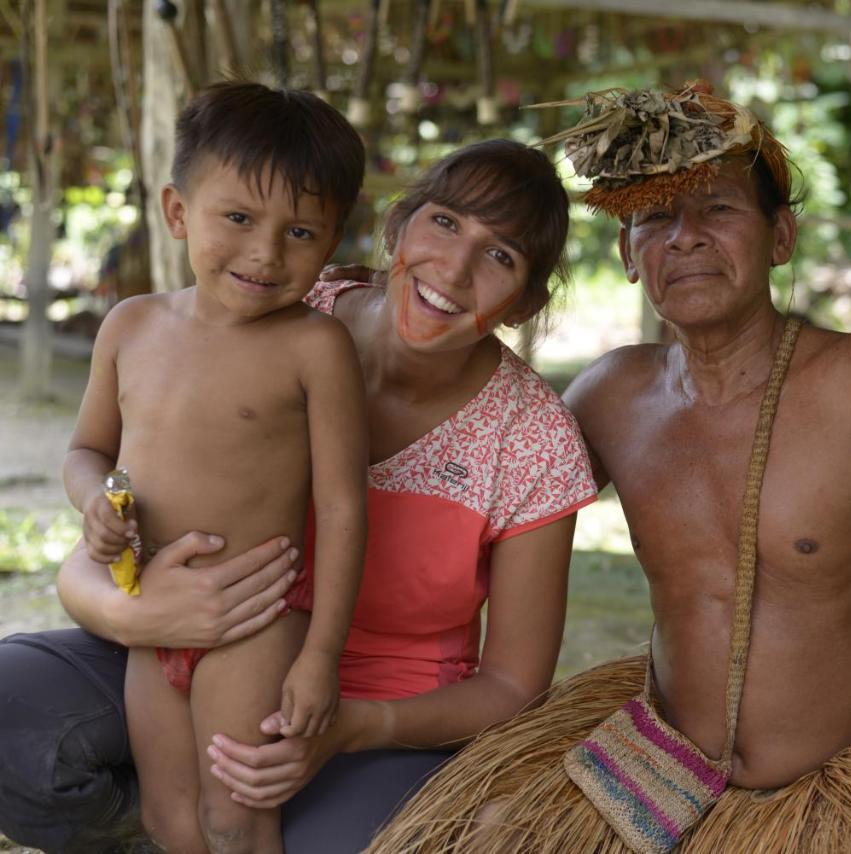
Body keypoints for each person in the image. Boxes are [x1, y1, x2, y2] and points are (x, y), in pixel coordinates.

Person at [368, 85, 851, 854]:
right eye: (656, 219)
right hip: (663, 761)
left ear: (781, 237)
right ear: (629, 256)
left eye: (719, 210)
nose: (686, 239)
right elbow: (465, 504)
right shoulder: (611, 396)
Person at [0, 138, 596, 854]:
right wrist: (127, 609)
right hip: (179, 637)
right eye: (443, 223)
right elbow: (121, 495)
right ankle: (152, 826)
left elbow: (512, 686)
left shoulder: (530, 437)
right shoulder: (267, 303)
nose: (456, 268)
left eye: (501, 256)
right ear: (398, 225)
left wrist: (359, 725)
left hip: (383, 715)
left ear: (527, 300)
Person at [65, 80, 369, 854]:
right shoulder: (129, 328)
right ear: (177, 212)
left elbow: (341, 508)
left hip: (254, 623)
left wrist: (319, 656)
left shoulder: (315, 347)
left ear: (331, 242)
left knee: (235, 817)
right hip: (151, 612)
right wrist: (98, 502)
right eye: (238, 218)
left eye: (301, 232)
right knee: (171, 820)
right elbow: (87, 453)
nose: (266, 253)